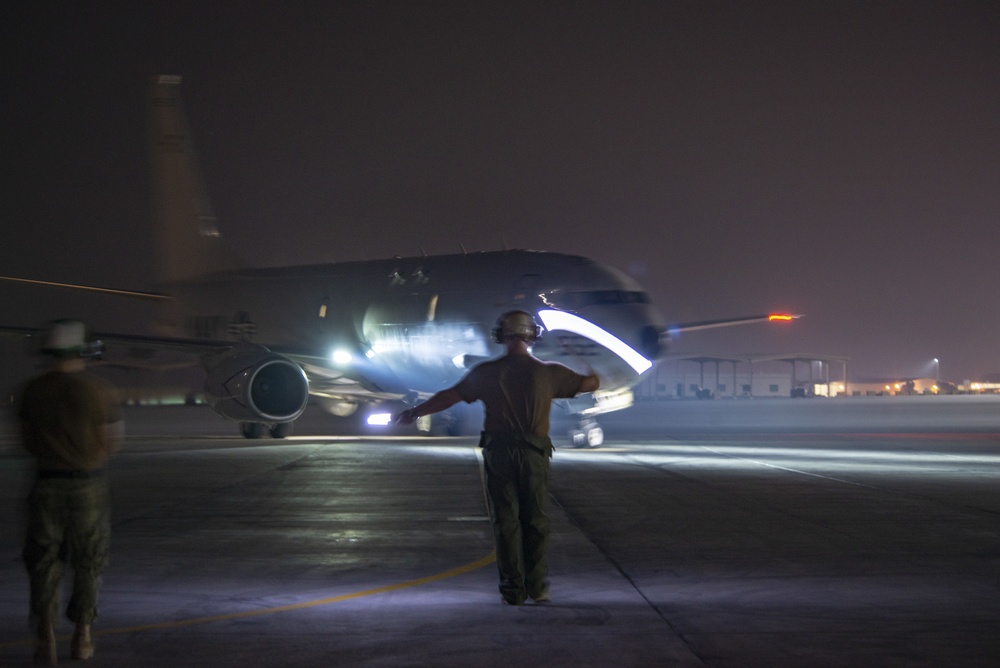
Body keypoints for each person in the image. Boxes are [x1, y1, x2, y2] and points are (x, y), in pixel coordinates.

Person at [397, 310, 599, 605]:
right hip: (533, 455)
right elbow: (590, 384)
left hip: (499, 454)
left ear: (500, 336)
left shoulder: (486, 373)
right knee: (535, 521)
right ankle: (538, 588)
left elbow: (449, 396)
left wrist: (414, 412)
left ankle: (512, 591)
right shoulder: (550, 372)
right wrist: (580, 357)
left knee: (505, 522)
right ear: (532, 336)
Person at [18, 320, 123, 665]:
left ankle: (45, 638)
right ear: (82, 352)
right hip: (87, 485)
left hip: (46, 484)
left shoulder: (32, 391)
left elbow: (25, 441)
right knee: (88, 562)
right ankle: (82, 637)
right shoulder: (99, 391)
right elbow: (112, 442)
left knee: (44, 563)